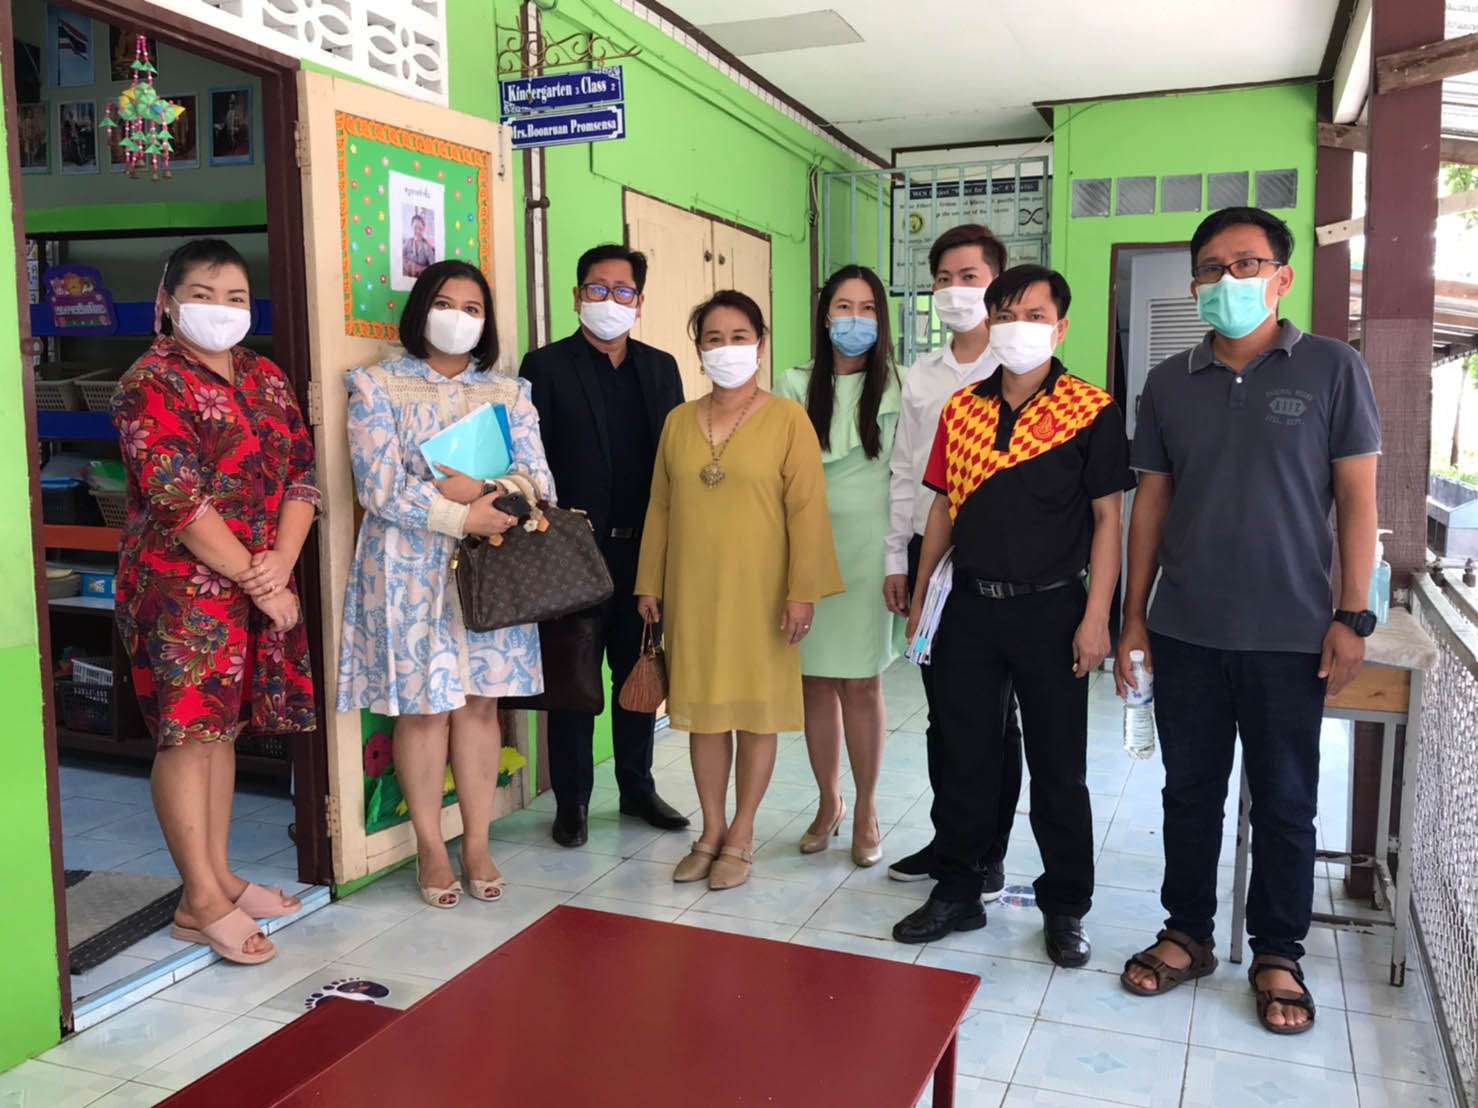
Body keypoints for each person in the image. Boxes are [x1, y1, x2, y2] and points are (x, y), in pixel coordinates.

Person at [1116, 207, 1380, 1034]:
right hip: (1186, 630)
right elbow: (1150, 505)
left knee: (1286, 801)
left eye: (1246, 263)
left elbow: (1358, 499)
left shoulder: (1334, 368)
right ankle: (1186, 933)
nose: (1227, 279)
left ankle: (1277, 953)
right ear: (1195, 283)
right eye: (1212, 267)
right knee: (1189, 794)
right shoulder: (1168, 382)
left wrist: (1352, 615)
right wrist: (1133, 618)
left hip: (1291, 634)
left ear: (1282, 277)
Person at [893, 264, 1132, 967]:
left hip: (1053, 609)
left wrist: (1097, 617)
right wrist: (921, 595)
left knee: (1059, 767)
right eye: (1004, 314)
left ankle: (1065, 906)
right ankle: (958, 890)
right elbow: (944, 505)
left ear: (1060, 328)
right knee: (964, 756)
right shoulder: (962, 408)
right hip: (968, 606)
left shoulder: (1091, 410)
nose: (1016, 327)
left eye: (1033, 315)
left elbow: (1108, 521)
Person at [112, 238, 319, 965]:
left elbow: (301, 474)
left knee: (222, 732)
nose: (220, 310)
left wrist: (282, 560)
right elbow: (179, 500)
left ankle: (220, 877)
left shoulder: (264, 376)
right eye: (202, 295)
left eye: (235, 298)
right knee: (187, 736)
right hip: (180, 591)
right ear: (166, 301)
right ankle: (198, 903)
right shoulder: (149, 382)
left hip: (257, 579)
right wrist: (265, 582)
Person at [337, 260, 555, 910]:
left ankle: (478, 842)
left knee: (482, 704)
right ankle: (431, 846)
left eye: (472, 308)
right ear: (420, 311)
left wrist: (481, 492)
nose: (457, 317)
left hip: (493, 566)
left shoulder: (510, 394)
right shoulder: (376, 385)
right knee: (425, 707)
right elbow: (378, 486)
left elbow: (539, 480)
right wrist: (459, 512)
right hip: (408, 570)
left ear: (486, 322)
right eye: (444, 303)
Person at [635, 290, 843, 891]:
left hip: (764, 595)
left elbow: (807, 510)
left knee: (754, 717)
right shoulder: (679, 421)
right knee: (703, 717)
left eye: (738, 337)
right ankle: (711, 831)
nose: (726, 349)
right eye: (713, 339)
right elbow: (660, 506)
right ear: (699, 349)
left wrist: (802, 592)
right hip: (692, 591)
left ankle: (743, 833)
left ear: (759, 343)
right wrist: (649, 583)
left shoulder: (787, 419)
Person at [521, 244, 690, 847]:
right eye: (597, 288)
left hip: (642, 550)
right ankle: (572, 800)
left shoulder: (660, 368)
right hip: (569, 551)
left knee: (637, 670)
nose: (609, 300)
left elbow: (675, 462)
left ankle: (637, 788)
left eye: (623, 291)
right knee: (573, 677)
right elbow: (529, 460)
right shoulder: (544, 366)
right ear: (577, 296)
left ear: (639, 302)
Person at [881, 223, 1025, 896]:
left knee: (994, 715)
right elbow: (904, 471)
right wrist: (898, 559)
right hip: (928, 554)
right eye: (943, 279)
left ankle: (988, 851)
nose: (955, 290)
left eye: (970, 277)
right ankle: (951, 840)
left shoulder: (1019, 364)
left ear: (997, 284)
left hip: (999, 558)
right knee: (945, 712)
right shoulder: (922, 374)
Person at [773, 264, 902, 867]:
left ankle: (868, 808)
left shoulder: (898, 385)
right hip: (807, 546)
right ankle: (829, 802)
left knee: (862, 682)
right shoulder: (794, 384)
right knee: (816, 682)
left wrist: (903, 558)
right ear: (825, 317)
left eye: (868, 308)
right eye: (844, 307)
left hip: (872, 549)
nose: (855, 319)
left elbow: (907, 476)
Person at [402, 214, 435, 280]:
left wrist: (419, 268)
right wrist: (406, 263)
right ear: (411, 227)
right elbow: (400, 256)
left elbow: (434, 268)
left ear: (424, 229)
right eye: (415, 227)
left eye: (420, 228)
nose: (417, 231)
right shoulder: (408, 242)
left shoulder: (427, 247)